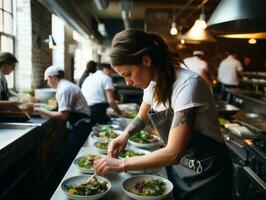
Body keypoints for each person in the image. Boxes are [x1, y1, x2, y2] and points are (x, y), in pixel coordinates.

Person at [93, 29, 232, 200]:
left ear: (146, 60)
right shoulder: (152, 84)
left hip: (207, 175)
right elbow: (141, 118)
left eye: (128, 74)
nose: (127, 82)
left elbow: (173, 153)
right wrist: (125, 135)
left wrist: (122, 164)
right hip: (180, 169)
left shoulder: (188, 85)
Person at [34, 65, 92, 153]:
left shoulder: (64, 89)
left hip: (81, 124)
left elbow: (63, 115)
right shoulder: (64, 85)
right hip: (78, 122)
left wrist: (37, 109)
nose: (47, 83)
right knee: (73, 152)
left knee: (72, 153)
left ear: (52, 77)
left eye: (47, 80)